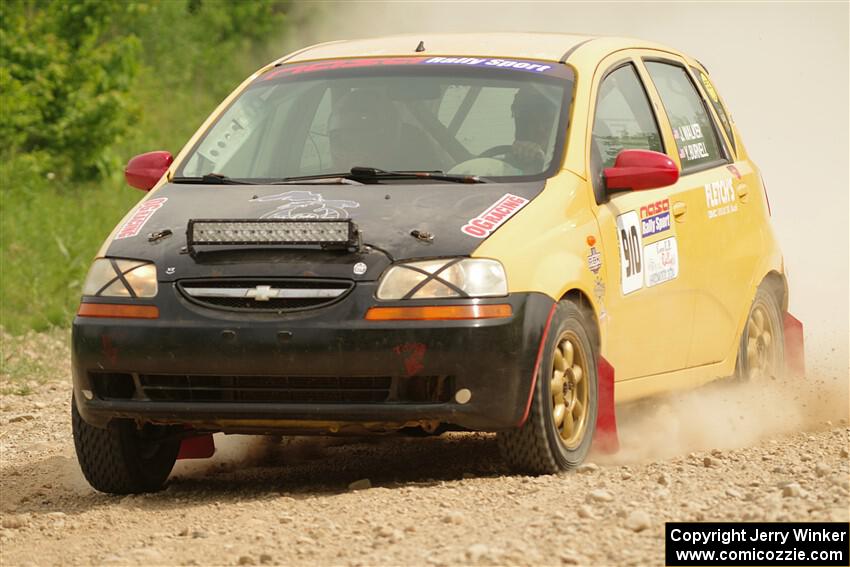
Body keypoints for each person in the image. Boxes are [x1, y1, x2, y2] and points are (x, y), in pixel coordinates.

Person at [506, 87, 558, 174]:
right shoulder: (508, 162)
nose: (540, 128)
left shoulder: (569, 165)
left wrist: (541, 163)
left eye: (547, 121)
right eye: (530, 121)